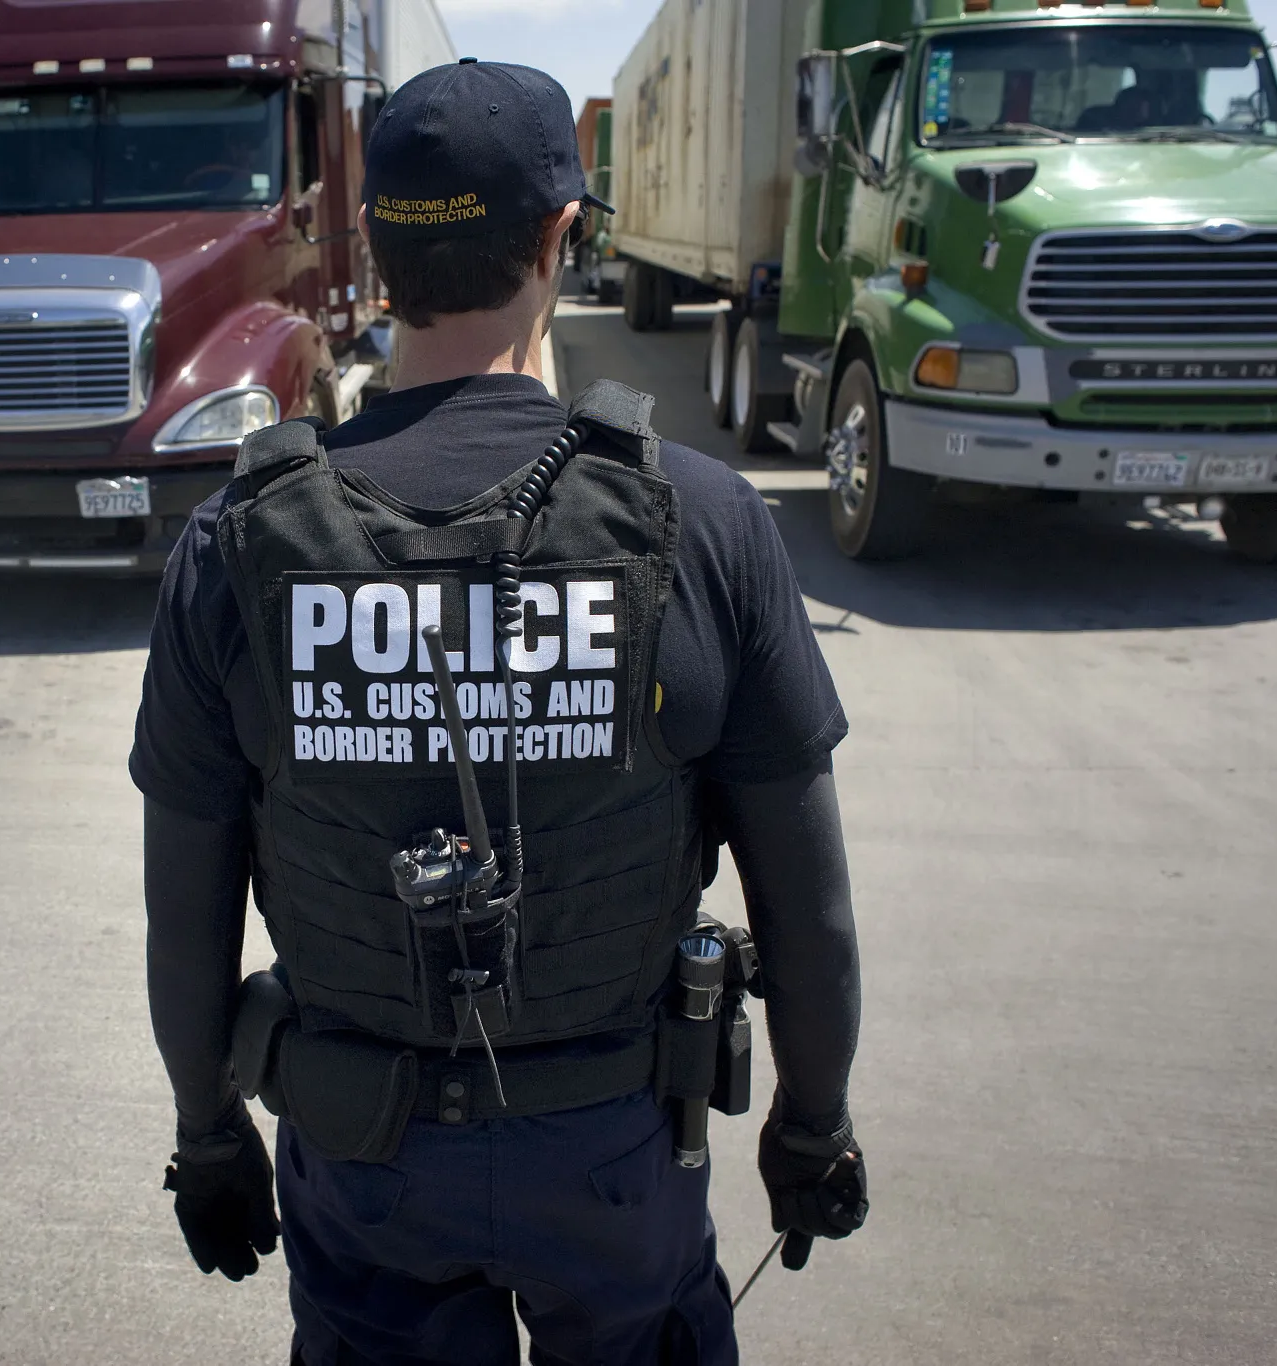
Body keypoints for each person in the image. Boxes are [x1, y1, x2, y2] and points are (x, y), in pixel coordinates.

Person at [132, 59, 865, 1365]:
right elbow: (808, 903)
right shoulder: (702, 520)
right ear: (559, 237)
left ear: (377, 252)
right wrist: (812, 1122)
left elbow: (185, 906)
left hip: (363, 1165)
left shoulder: (236, 542)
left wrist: (205, 1130)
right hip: (617, 1164)